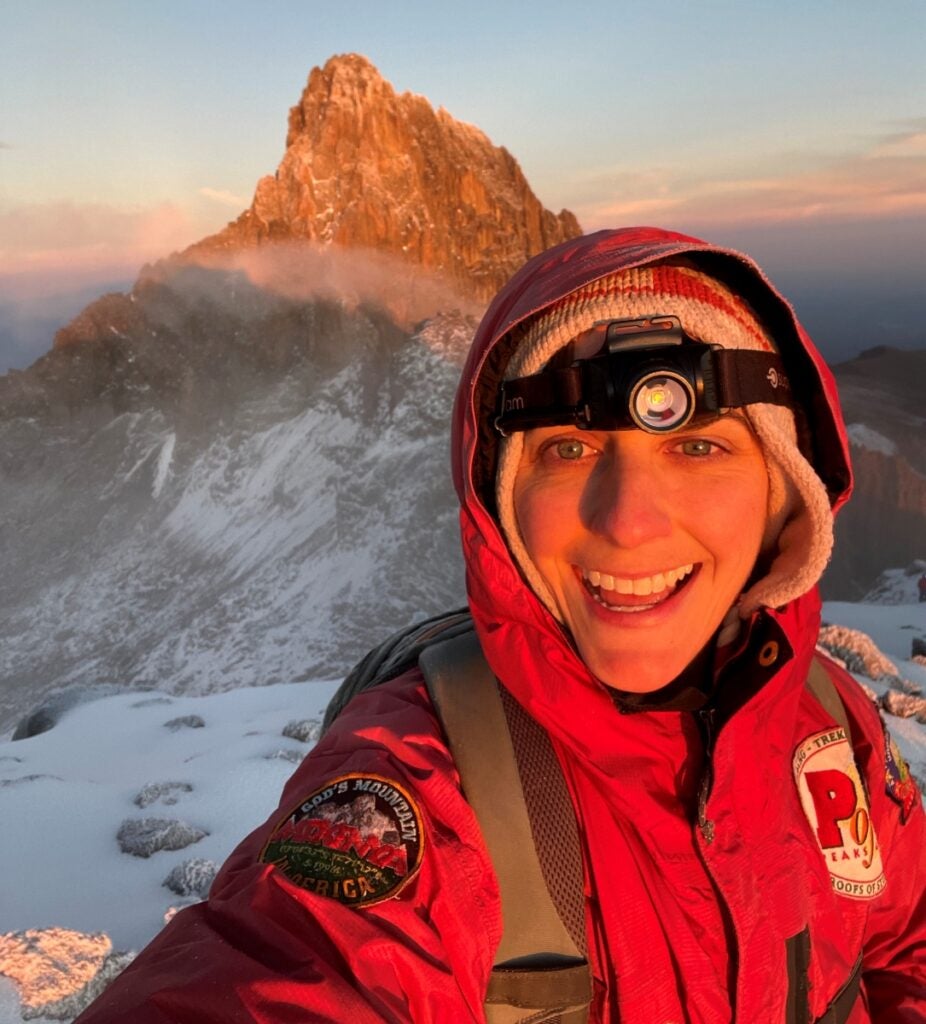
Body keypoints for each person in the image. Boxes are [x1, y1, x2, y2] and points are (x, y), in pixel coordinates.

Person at [75, 227, 925, 1023]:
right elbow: (285, 966)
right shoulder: (425, 785)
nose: (629, 523)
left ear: (786, 497)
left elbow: (908, 938)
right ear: (500, 504)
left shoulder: (831, 724)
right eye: (568, 448)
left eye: (699, 448)